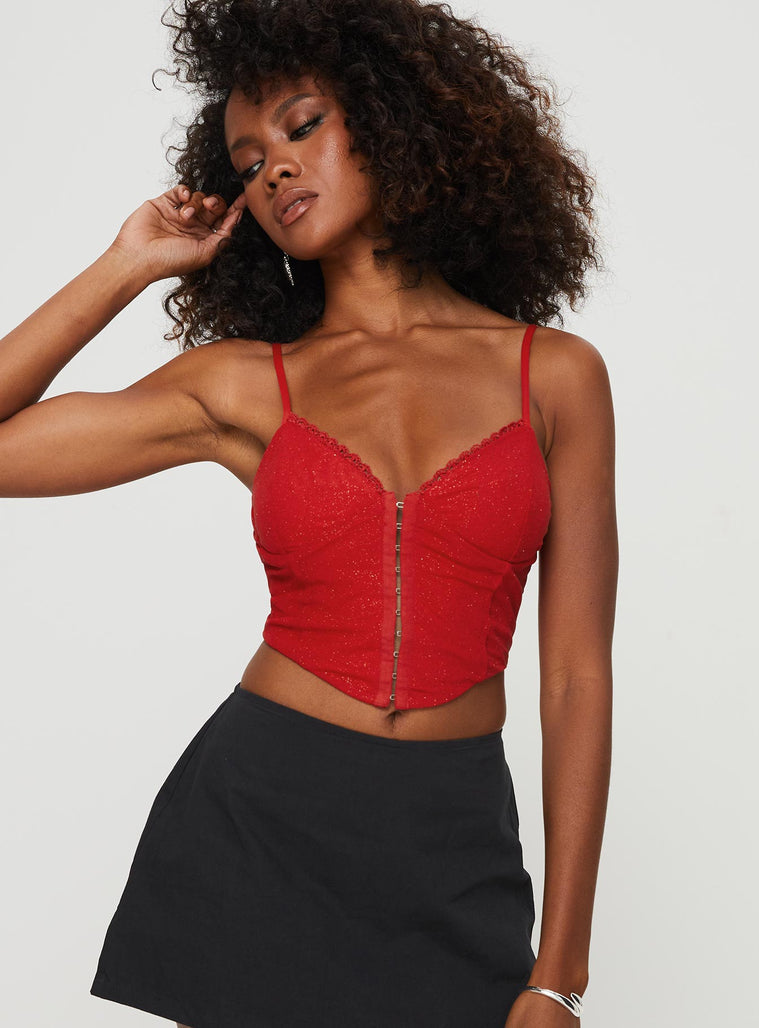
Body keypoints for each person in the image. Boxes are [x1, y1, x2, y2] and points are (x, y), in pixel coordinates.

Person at [0, 0, 616, 1025]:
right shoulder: (244, 384)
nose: (275, 168)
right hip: (258, 822)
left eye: (301, 126)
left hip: (453, 840)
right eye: (248, 163)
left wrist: (559, 971)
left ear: (394, 120)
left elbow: (576, 677)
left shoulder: (555, 375)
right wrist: (126, 266)